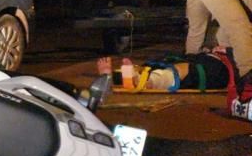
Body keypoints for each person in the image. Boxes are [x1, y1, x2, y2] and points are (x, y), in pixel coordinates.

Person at [185, 0, 252, 81]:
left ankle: (187, 68)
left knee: (196, 32)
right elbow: (239, 29)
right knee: (239, 29)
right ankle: (248, 80)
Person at [97, 50, 229, 91]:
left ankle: (139, 80)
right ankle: (119, 78)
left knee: (179, 71)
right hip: (214, 62)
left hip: (219, 69)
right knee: (155, 68)